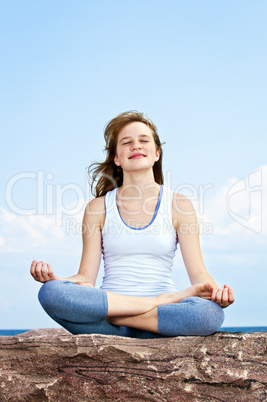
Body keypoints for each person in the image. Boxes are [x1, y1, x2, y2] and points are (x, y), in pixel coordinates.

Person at [30, 111, 235, 338]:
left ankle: (138, 311)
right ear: (117, 158)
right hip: (113, 326)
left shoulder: (179, 204)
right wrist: (56, 280)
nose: (136, 146)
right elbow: (85, 278)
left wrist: (218, 296)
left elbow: (199, 274)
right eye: (126, 142)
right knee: (50, 293)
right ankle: (150, 304)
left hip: (162, 317)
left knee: (209, 315)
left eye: (144, 140)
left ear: (157, 153)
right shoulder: (97, 208)